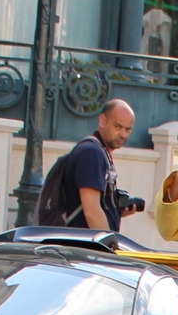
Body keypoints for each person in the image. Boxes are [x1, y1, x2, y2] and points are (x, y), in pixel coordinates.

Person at [44, 99, 141, 232]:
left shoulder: (100, 152)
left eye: (128, 129)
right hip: (82, 247)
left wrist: (115, 212)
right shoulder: (91, 152)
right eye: (117, 127)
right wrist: (110, 247)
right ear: (102, 121)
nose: (123, 134)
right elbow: (92, 210)